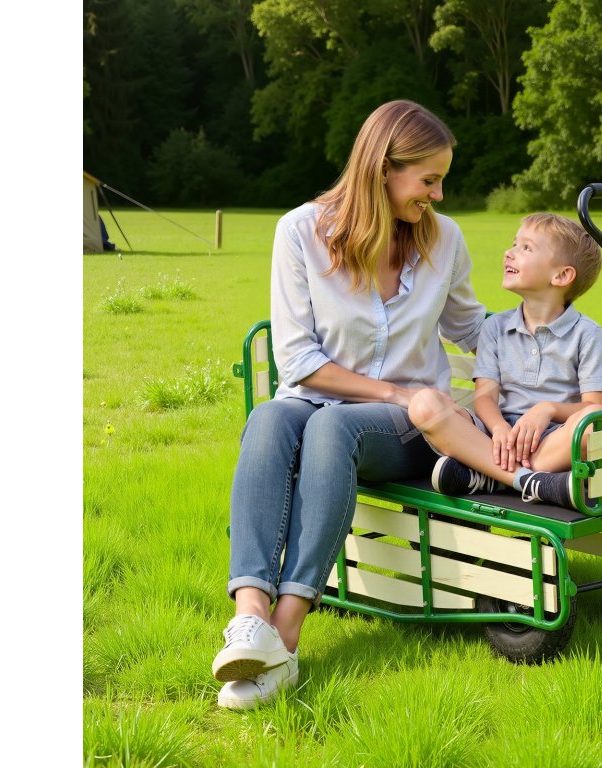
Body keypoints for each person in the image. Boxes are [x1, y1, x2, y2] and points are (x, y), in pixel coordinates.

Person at [212, 100, 486, 710]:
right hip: (323, 402)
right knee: (270, 416)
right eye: (429, 180)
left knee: (334, 427)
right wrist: (391, 389)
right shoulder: (300, 232)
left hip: (406, 428)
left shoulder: (444, 240)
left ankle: (285, 638)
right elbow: (297, 361)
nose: (438, 195)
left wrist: (552, 334)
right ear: (383, 169)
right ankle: (250, 618)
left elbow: (473, 329)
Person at [408, 212, 602, 511]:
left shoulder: (587, 334)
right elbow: (485, 398)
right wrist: (499, 429)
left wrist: (547, 409)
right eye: (514, 244)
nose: (510, 252)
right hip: (495, 437)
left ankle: (491, 477)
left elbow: (595, 407)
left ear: (561, 276)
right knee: (424, 404)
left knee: (598, 421)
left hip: (552, 441)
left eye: (526, 248)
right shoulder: (495, 327)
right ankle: (531, 481)